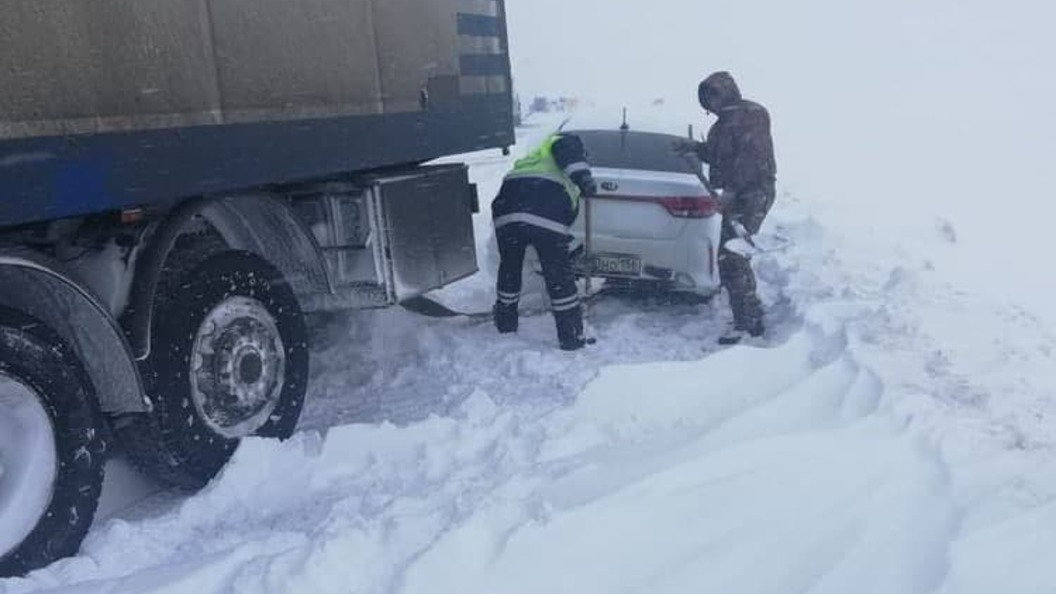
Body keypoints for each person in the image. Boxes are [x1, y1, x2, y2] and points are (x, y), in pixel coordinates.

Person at [677, 71, 777, 345]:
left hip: (753, 193)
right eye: (706, 100)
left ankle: (750, 323)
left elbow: (750, 157)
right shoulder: (722, 125)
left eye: (713, 96)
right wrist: (696, 148)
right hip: (736, 194)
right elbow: (719, 155)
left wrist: (731, 191)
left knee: (733, 255)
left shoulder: (751, 114)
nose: (710, 104)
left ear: (726, 91)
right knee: (729, 255)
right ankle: (746, 315)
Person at [492, 132, 598, 351]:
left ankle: (505, 323)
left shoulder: (534, 158)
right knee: (558, 276)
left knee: (510, 270)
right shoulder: (563, 140)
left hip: (506, 211)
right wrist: (584, 178)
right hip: (541, 209)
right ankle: (571, 337)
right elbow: (566, 148)